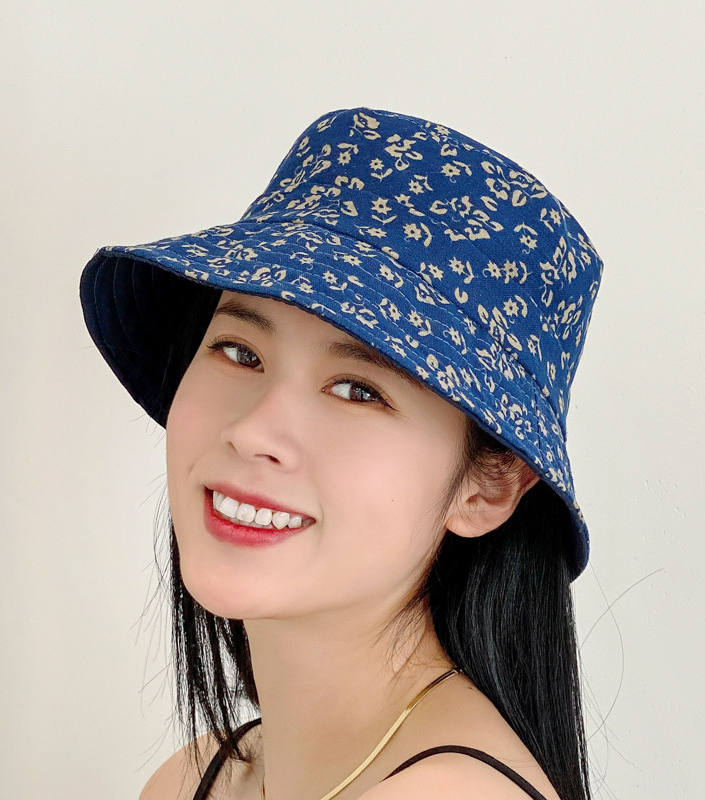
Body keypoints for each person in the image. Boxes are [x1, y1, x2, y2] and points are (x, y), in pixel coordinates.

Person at [79, 106, 604, 800]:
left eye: (358, 391)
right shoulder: (196, 777)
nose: (254, 432)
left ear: (490, 486)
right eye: (239, 351)